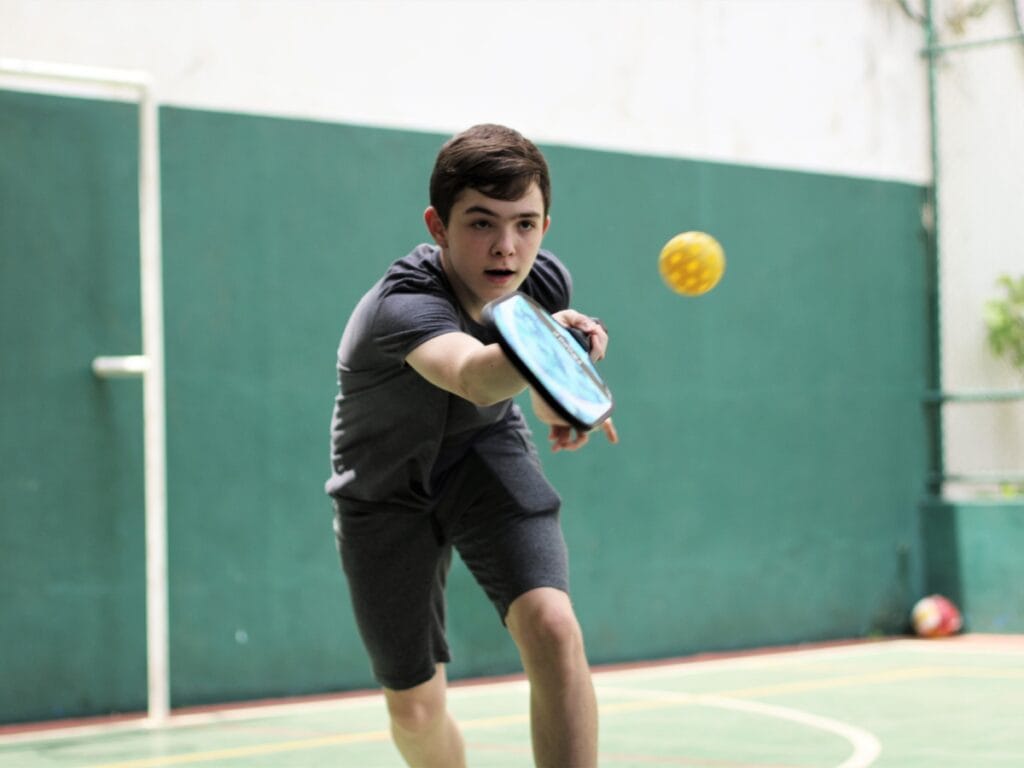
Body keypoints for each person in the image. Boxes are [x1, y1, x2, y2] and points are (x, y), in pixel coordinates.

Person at [325, 123, 618, 768]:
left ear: (546, 225)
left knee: (552, 626)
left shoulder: (542, 282)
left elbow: (527, 397)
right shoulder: (403, 306)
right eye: (481, 223)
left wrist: (563, 398)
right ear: (438, 225)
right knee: (416, 710)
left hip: (483, 457)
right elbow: (476, 377)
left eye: (526, 224)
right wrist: (548, 347)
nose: (507, 249)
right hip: (383, 493)